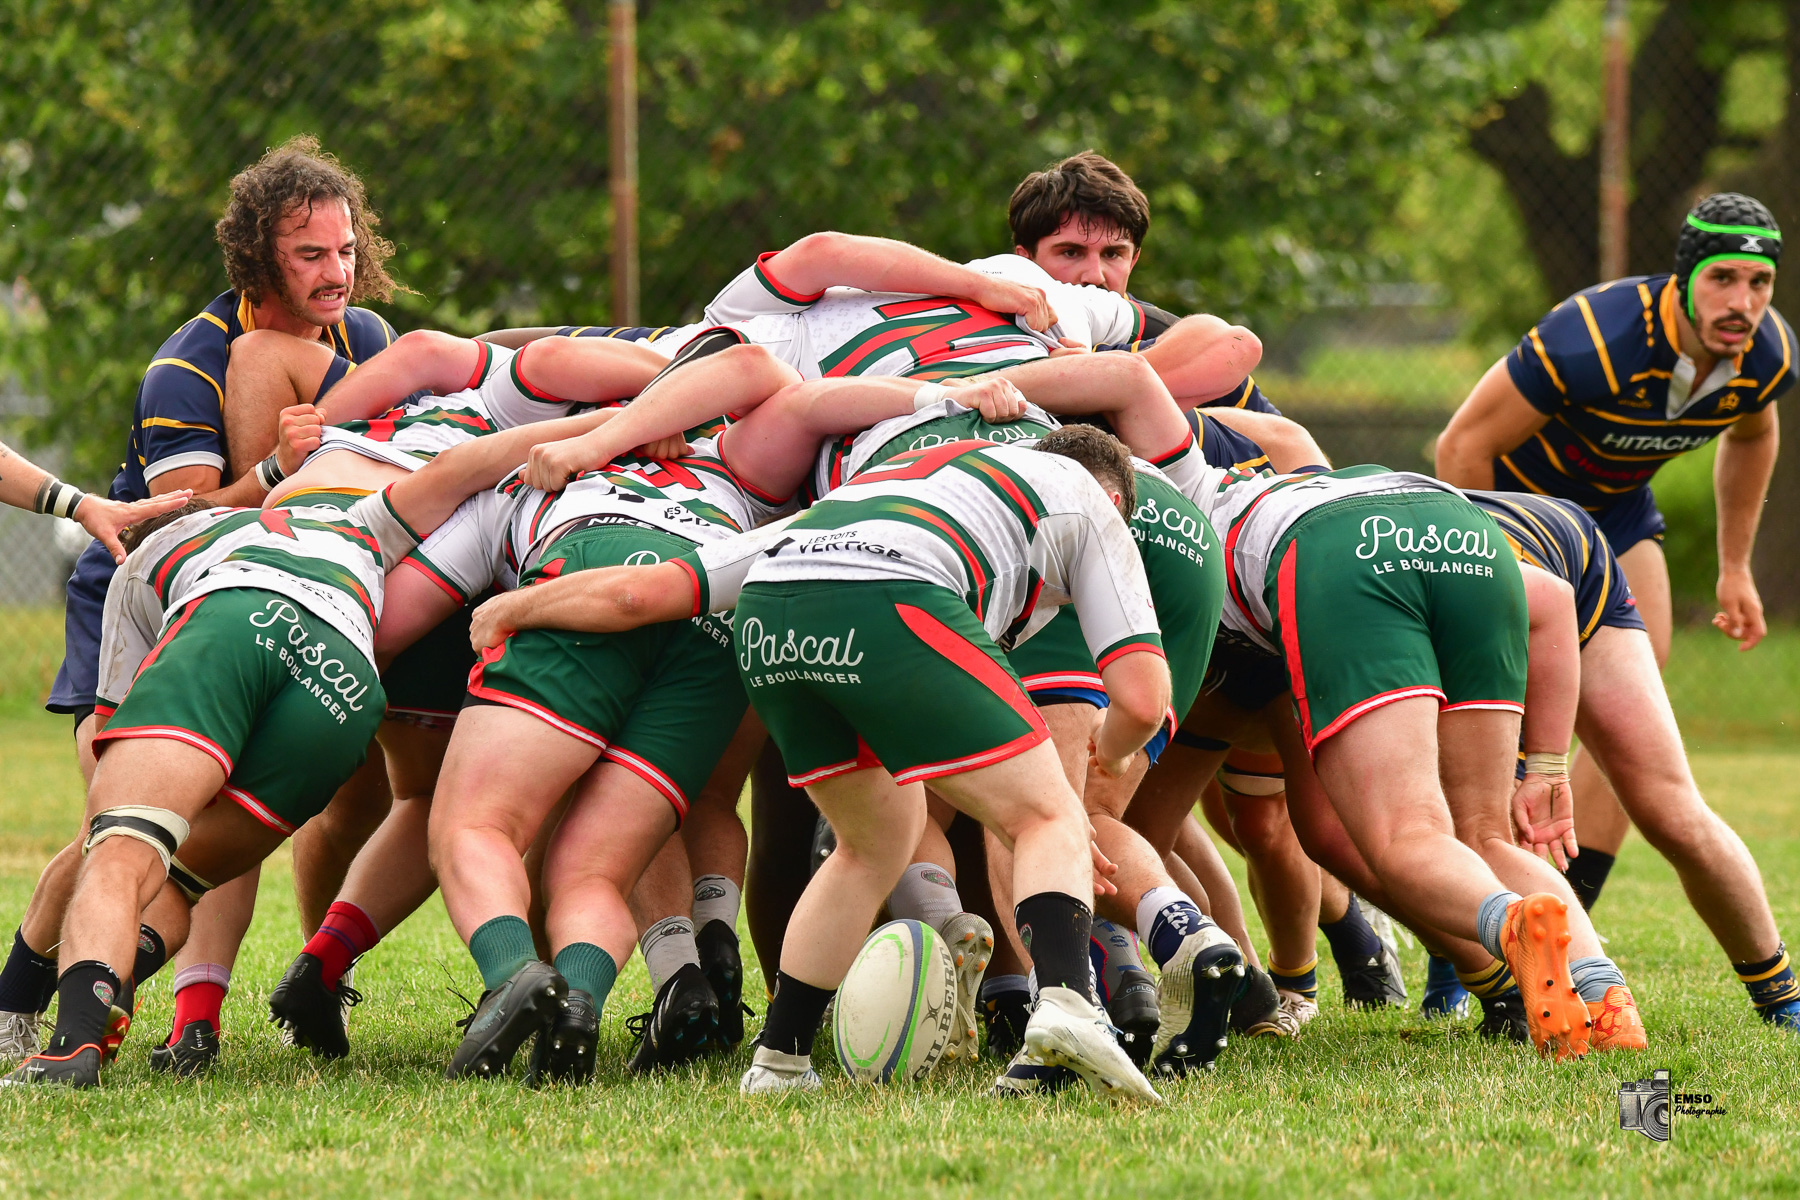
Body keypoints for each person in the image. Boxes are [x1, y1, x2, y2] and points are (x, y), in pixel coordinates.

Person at [467, 427, 1172, 1102]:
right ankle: (1068, 1012)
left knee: (873, 842)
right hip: (895, 597)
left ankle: (780, 1058)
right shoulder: (1089, 504)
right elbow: (1142, 700)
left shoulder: (898, 486)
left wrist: (517, 605)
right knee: (1047, 814)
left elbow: (643, 594)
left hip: (773, 619)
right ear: (1116, 500)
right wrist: (1098, 768)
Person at [2, 408, 603, 1088]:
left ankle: (68, 1044)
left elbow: (102, 805)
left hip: (233, 618)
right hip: (344, 684)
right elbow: (462, 465)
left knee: (122, 845)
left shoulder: (142, 563)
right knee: (184, 877)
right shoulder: (359, 518)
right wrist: (625, 421)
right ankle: (97, 992)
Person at [1435, 193, 1795, 898]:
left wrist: (1734, 568)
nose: (1741, 303)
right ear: (1685, 279)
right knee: (1506, 710)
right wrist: (1496, 567)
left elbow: (1755, 435)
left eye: (1759, 284)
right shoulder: (1593, 338)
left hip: (1616, 516)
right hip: (1519, 510)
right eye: (1723, 278)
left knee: (1635, 708)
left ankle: (1579, 897)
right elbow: (1461, 446)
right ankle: (1479, 901)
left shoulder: (1765, 356)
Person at [1468, 491, 1798, 1032]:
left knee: (1667, 808)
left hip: (1562, 562)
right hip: (1491, 580)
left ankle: (1782, 996)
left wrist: (1542, 767)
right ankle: (1490, 996)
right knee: (1470, 827)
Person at [1005, 150, 1276, 412]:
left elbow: (1282, 439)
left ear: (1133, 260)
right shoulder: (982, 328)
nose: (1095, 275)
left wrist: (1095, 379)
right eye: (1071, 252)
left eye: (1113, 254)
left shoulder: (1183, 344)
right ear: (1024, 261)